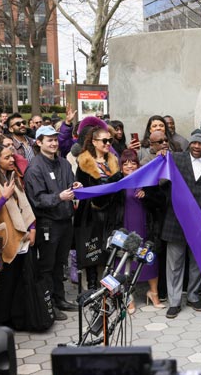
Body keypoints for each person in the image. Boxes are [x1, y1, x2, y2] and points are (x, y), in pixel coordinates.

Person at [24, 126, 82, 321]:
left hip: (66, 221)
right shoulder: (35, 167)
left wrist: (76, 186)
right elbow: (37, 199)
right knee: (47, 265)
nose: (54, 143)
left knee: (60, 264)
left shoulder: (64, 163)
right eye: (49, 140)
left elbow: (70, 183)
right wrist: (59, 197)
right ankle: (48, 305)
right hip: (47, 223)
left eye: (55, 139)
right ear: (39, 143)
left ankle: (60, 299)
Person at [162, 131, 201, 318]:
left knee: (197, 263)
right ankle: (175, 301)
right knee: (174, 263)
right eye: (193, 143)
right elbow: (162, 181)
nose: (196, 147)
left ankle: (193, 296)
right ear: (189, 144)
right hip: (176, 220)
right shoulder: (175, 159)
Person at [0, 144, 36, 327]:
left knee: (15, 280)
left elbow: (24, 204)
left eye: (12, 156)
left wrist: (32, 227)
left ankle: (14, 319)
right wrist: (3, 197)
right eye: (6, 157)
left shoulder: (12, 176)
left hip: (19, 239)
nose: (12, 160)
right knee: (1, 283)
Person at [113, 149, 165, 314]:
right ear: (121, 166)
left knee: (150, 259)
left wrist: (147, 196)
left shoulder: (147, 180)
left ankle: (153, 293)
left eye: (133, 163)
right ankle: (129, 297)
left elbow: (160, 202)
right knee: (125, 261)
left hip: (145, 227)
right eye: (125, 163)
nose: (129, 166)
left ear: (138, 165)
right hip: (125, 228)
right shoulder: (118, 183)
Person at [74, 127, 122, 289]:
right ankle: (92, 286)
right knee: (92, 249)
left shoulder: (114, 160)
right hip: (90, 212)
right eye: (104, 140)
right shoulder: (84, 161)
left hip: (111, 212)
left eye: (110, 140)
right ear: (94, 142)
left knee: (109, 248)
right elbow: (85, 189)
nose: (108, 143)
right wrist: (111, 182)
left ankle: (108, 286)